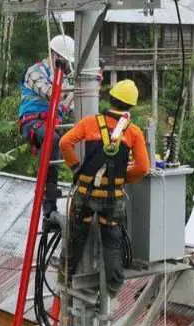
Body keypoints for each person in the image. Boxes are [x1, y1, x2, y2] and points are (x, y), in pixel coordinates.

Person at [58, 79, 150, 295]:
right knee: (112, 243)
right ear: (131, 106)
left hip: (85, 194)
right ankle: (112, 288)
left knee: (77, 236)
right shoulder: (133, 132)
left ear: (111, 98)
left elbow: (65, 143)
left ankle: (65, 275)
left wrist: (75, 167)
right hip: (112, 199)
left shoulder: (90, 123)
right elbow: (143, 167)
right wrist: (122, 179)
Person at [18, 35, 76, 220]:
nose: (65, 66)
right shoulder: (34, 72)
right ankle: (49, 200)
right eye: (63, 60)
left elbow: (70, 107)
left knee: (79, 140)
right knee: (52, 140)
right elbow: (51, 94)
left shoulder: (64, 79)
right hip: (32, 123)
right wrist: (72, 87)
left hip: (53, 124)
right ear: (53, 54)